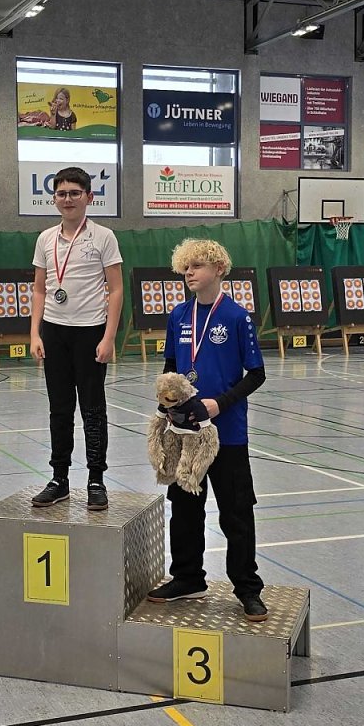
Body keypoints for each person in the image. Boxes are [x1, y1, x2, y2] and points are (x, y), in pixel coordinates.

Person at [147, 238, 268, 622]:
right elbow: (171, 367)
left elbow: (257, 374)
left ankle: (247, 588)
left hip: (227, 433)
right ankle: (187, 577)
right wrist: (166, 406)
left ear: (218, 269)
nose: (189, 273)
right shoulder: (179, 315)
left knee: (236, 512)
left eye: (197, 266)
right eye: (185, 267)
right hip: (185, 434)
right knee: (184, 509)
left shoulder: (237, 317)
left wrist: (221, 403)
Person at [30, 166, 123, 510]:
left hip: (91, 332)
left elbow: (116, 289)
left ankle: (96, 479)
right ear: (54, 198)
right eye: (61, 193)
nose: (67, 199)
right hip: (54, 332)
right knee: (59, 408)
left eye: (74, 193)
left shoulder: (104, 237)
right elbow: (39, 290)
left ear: (89, 197)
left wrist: (109, 337)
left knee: (93, 409)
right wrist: (35, 333)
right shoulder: (45, 239)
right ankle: (59, 479)